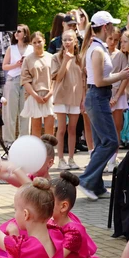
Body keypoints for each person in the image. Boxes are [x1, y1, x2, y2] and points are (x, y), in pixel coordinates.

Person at [76, 11, 128, 202]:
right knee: (110, 142)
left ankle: (96, 185)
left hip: (98, 97)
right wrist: (122, 75)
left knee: (101, 143)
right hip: (97, 97)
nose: (114, 29)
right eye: (111, 25)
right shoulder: (97, 50)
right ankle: (86, 180)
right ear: (105, 27)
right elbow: (99, 81)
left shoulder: (97, 47)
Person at [49, 30, 82, 168]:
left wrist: (83, 98)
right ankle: (61, 159)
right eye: (64, 40)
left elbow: (83, 80)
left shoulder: (80, 58)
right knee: (61, 129)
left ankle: (71, 159)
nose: (67, 42)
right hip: (61, 96)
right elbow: (58, 77)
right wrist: (66, 61)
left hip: (75, 97)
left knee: (73, 129)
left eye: (70, 39)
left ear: (75, 41)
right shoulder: (56, 57)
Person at [19, 32, 54, 138]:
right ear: (31, 43)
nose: (37, 44)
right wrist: (35, 96)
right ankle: (37, 148)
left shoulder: (51, 57)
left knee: (50, 127)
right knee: (36, 128)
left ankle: (49, 148)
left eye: (39, 41)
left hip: (49, 94)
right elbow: (25, 80)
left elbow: (56, 79)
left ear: (44, 41)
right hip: (34, 94)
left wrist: (50, 94)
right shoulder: (28, 59)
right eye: (34, 42)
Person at [1, 25, 30, 145]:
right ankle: (9, 141)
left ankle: (24, 140)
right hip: (12, 80)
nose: (16, 34)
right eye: (15, 31)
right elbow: (4, 66)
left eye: (19, 31)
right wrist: (17, 64)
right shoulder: (11, 48)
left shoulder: (31, 48)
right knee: (10, 112)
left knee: (25, 113)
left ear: (25, 33)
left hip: (26, 81)